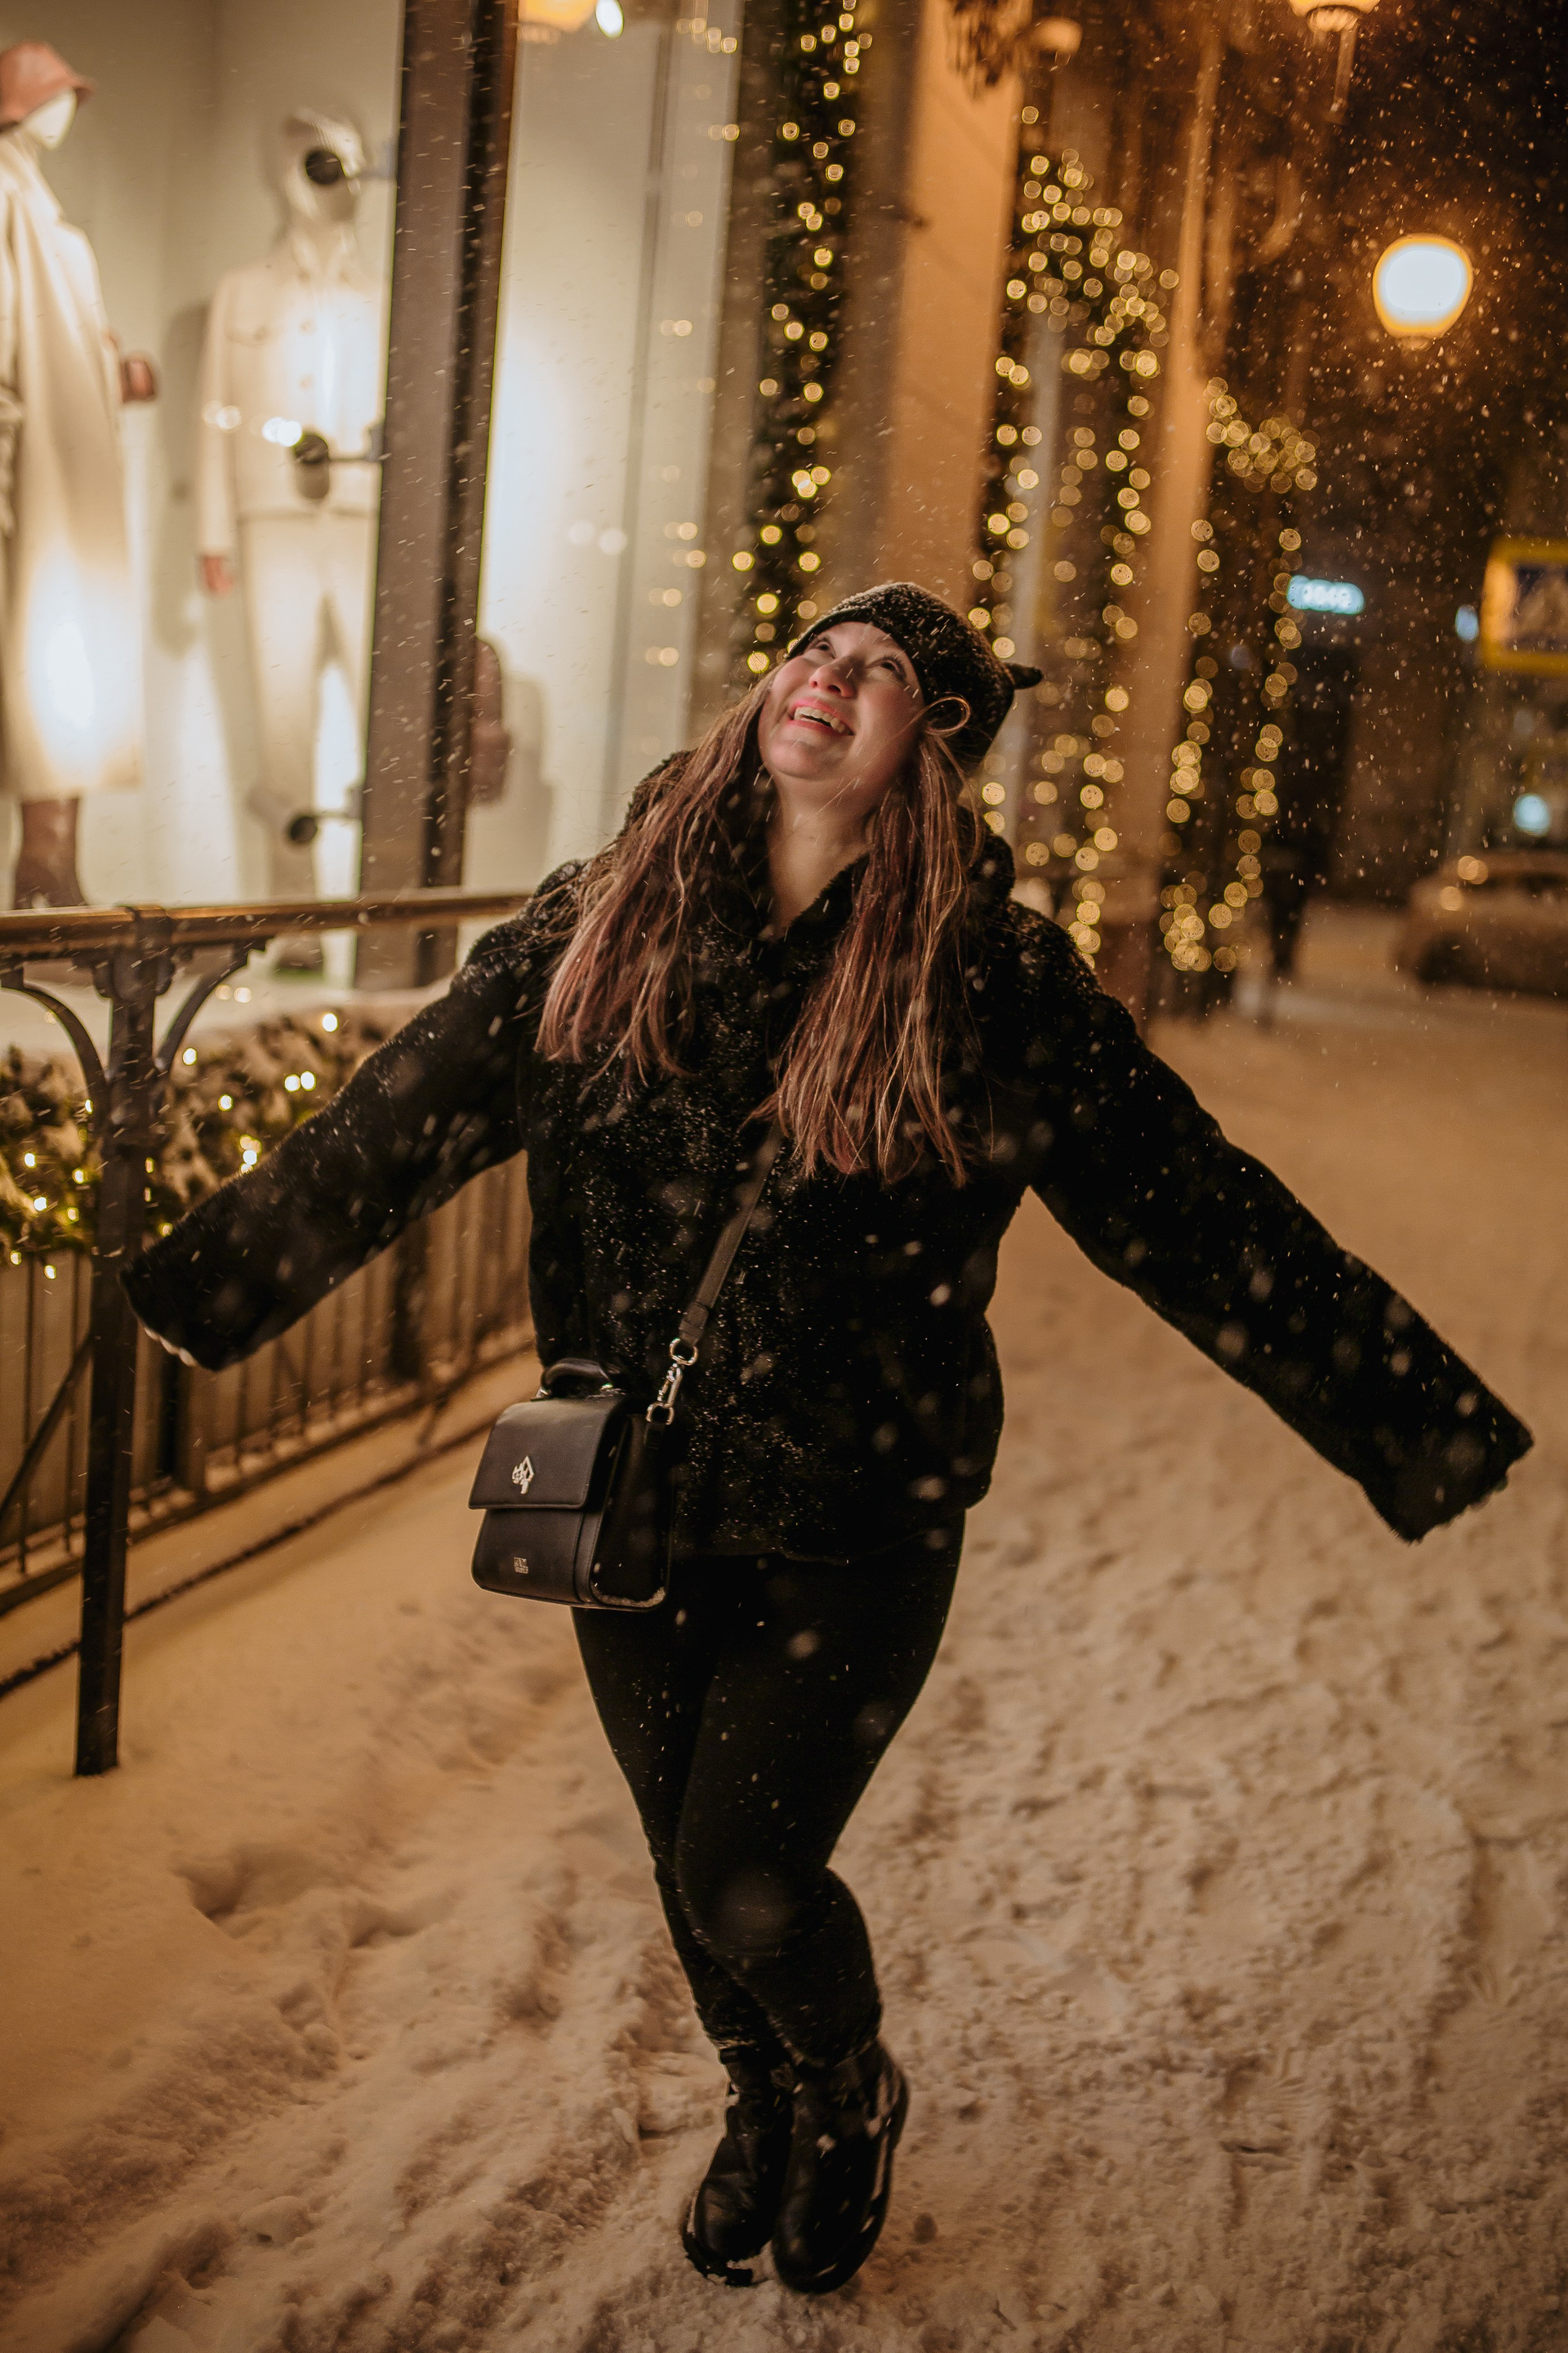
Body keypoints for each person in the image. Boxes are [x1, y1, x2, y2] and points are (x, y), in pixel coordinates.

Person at [125, 582, 1531, 2297]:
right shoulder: (602, 918)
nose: (829, 679)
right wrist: (206, 1285)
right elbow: (395, 1120)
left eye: (882, 675)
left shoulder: (991, 984)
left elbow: (1193, 1208)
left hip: (860, 1503)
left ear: (932, 751)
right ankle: (760, 2096)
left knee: (745, 1868)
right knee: (684, 1861)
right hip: (634, 1497)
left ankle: (846, 2088)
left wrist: (1410, 1413)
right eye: (817, 650)